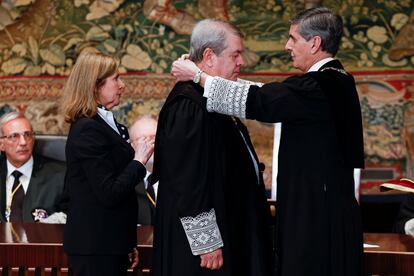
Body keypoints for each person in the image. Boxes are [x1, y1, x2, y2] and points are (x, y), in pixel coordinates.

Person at [172, 7, 365, 276]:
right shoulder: (334, 82)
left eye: (293, 38)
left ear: (315, 43)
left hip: (317, 218)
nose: (287, 46)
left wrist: (198, 77)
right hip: (327, 209)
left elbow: (263, 100)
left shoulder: (322, 85)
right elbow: (271, 93)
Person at [152, 19, 273, 276]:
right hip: (203, 253)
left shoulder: (207, 96)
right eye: (235, 54)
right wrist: (206, 243)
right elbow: (188, 179)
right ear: (208, 56)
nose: (241, 62)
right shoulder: (188, 105)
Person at [61, 50, 154, 276]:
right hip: (95, 248)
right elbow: (109, 192)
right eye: (116, 79)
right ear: (95, 86)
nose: (122, 85)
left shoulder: (111, 125)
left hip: (111, 244)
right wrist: (139, 161)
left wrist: (126, 241)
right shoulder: (87, 129)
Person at [0, 111, 66, 223]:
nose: (23, 142)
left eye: (27, 135)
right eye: (14, 136)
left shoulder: (61, 175)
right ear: (1, 144)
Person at [129, 116, 158, 225]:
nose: (150, 143)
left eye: (154, 137)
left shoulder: (183, 178)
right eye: (142, 139)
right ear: (131, 146)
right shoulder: (125, 184)